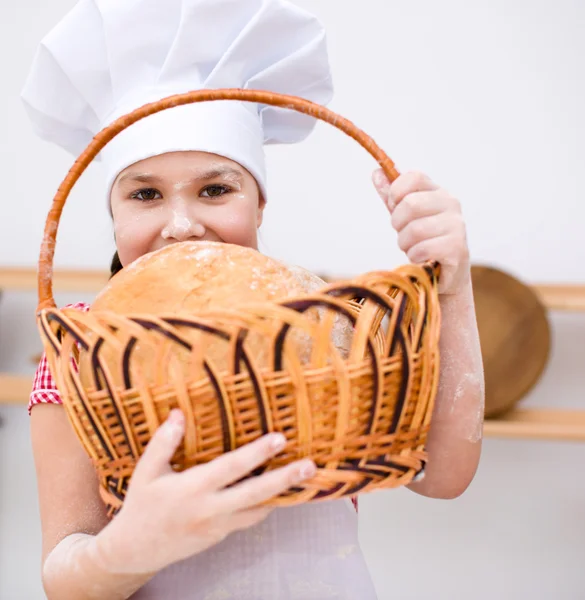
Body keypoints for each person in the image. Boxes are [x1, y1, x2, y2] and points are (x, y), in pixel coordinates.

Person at [22, 0, 485, 598]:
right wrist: (127, 549)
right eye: (144, 195)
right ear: (112, 213)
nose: (182, 224)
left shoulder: (322, 318)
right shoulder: (82, 353)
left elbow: (442, 475)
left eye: (216, 189)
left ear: (259, 202)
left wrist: (454, 285)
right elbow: (63, 573)